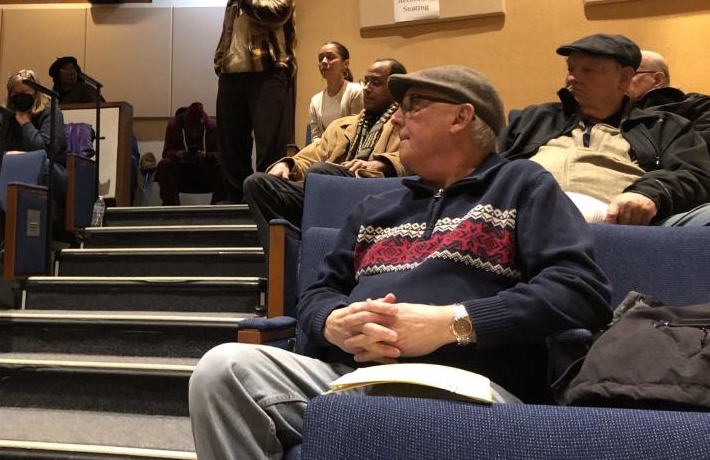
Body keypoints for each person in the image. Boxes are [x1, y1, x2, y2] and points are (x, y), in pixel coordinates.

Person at [188, 66, 613, 460]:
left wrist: (452, 324)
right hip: (353, 379)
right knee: (223, 369)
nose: (394, 121)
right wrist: (333, 323)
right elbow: (318, 292)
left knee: (389, 414)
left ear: (461, 117)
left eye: (413, 107)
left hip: (466, 389)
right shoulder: (377, 205)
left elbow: (580, 289)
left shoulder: (521, 186)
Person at [499, 34, 710, 226]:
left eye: (587, 70)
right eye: (571, 69)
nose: (573, 77)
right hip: (526, 212)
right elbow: (490, 164)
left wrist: (648, 194)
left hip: (623, 222)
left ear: (624, 78)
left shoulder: (662, 125)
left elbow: (696, 175)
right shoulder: (535, 118)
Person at [243, 59, 406, 256]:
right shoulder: (342, 125)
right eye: (366, 81)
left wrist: (382, 163)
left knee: (321, 172)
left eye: (376, 83)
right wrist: (288, 164)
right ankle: (284, 259)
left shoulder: (405, 122)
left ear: (395, 88)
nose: (367, 89)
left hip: (372, 191)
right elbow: (312, 154)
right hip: (326, 187)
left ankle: (319, 255)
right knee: (257, 183)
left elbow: (418, 158)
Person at [214, 0, 296, 202]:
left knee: (270, 140)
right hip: (232, 74)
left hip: (267, 71)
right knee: (230, 142)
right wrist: (220, 60)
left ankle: (268, 197)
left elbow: (278, 13)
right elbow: (230, 31)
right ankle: (235, 198)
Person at [0, 69, 67, 198]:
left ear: (36, 94)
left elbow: (46, 151)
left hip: (49, 169)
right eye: (16, 93)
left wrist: (25, 123)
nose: (20, 96)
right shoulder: (4, 114)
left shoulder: (51, 112)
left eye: (25, 93)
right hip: (11, 165)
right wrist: (11, 154)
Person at [627, 49, 710, 149]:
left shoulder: (701, 107)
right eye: (622, 75)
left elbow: (699, 152)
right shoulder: (618, 112)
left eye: (631, 74)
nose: (622, 81)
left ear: (657, 80)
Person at [155, 102, 225, 205]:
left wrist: (206, 155)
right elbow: (166, 153)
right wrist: (179, 154)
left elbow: (223, 156)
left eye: (197, 128)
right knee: (164, 164)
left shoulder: (212, 127)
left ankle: (217, 206)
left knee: (223, 167)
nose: (194, 131)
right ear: (185, 123)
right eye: (191, 127)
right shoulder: (174, 126)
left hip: (205, 170)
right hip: (182, 170)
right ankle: (171, 205)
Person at [308, 41, 363, 143]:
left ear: (345, 64)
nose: (324, 61)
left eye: (330, 57)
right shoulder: (315, 100)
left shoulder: (355, 91)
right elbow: (316, 137)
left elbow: (356, 133)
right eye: (321, 59)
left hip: (348, 153)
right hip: (323, 153)